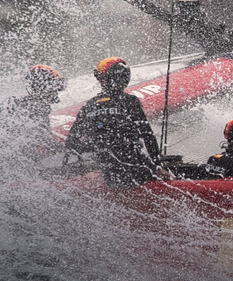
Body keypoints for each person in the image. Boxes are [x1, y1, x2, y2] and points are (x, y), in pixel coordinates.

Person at [63, 57, 164, 188]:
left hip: (109, 175)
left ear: (102, 80)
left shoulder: (89, 106)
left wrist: (100, 147)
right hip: (136, 172)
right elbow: (147, 135)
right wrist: (158, 166)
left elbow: (71, 143)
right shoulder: (129, 101)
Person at [0, 64, 66, 159]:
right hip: (16, 162)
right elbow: (49, 143)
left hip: (1, 156)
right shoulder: (37, 107)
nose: (56, 92)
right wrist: (69, 147)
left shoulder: (15, 102)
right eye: (55, 86)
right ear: (42, 86)